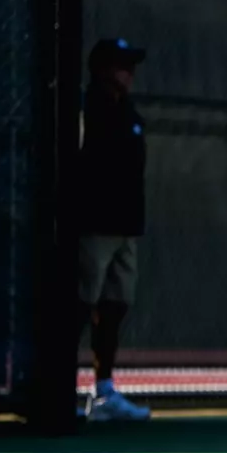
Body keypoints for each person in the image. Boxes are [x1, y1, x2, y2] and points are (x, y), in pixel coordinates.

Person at [78, 37, 153, 421]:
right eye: (123, 66)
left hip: (126, 228)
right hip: (93, 226)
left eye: (131, 66)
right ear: (103, 69)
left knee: (115, 305)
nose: (130, 73)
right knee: (79, 304)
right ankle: (59, 389)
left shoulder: (128, 110)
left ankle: (104, 392)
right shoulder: (86, 109)